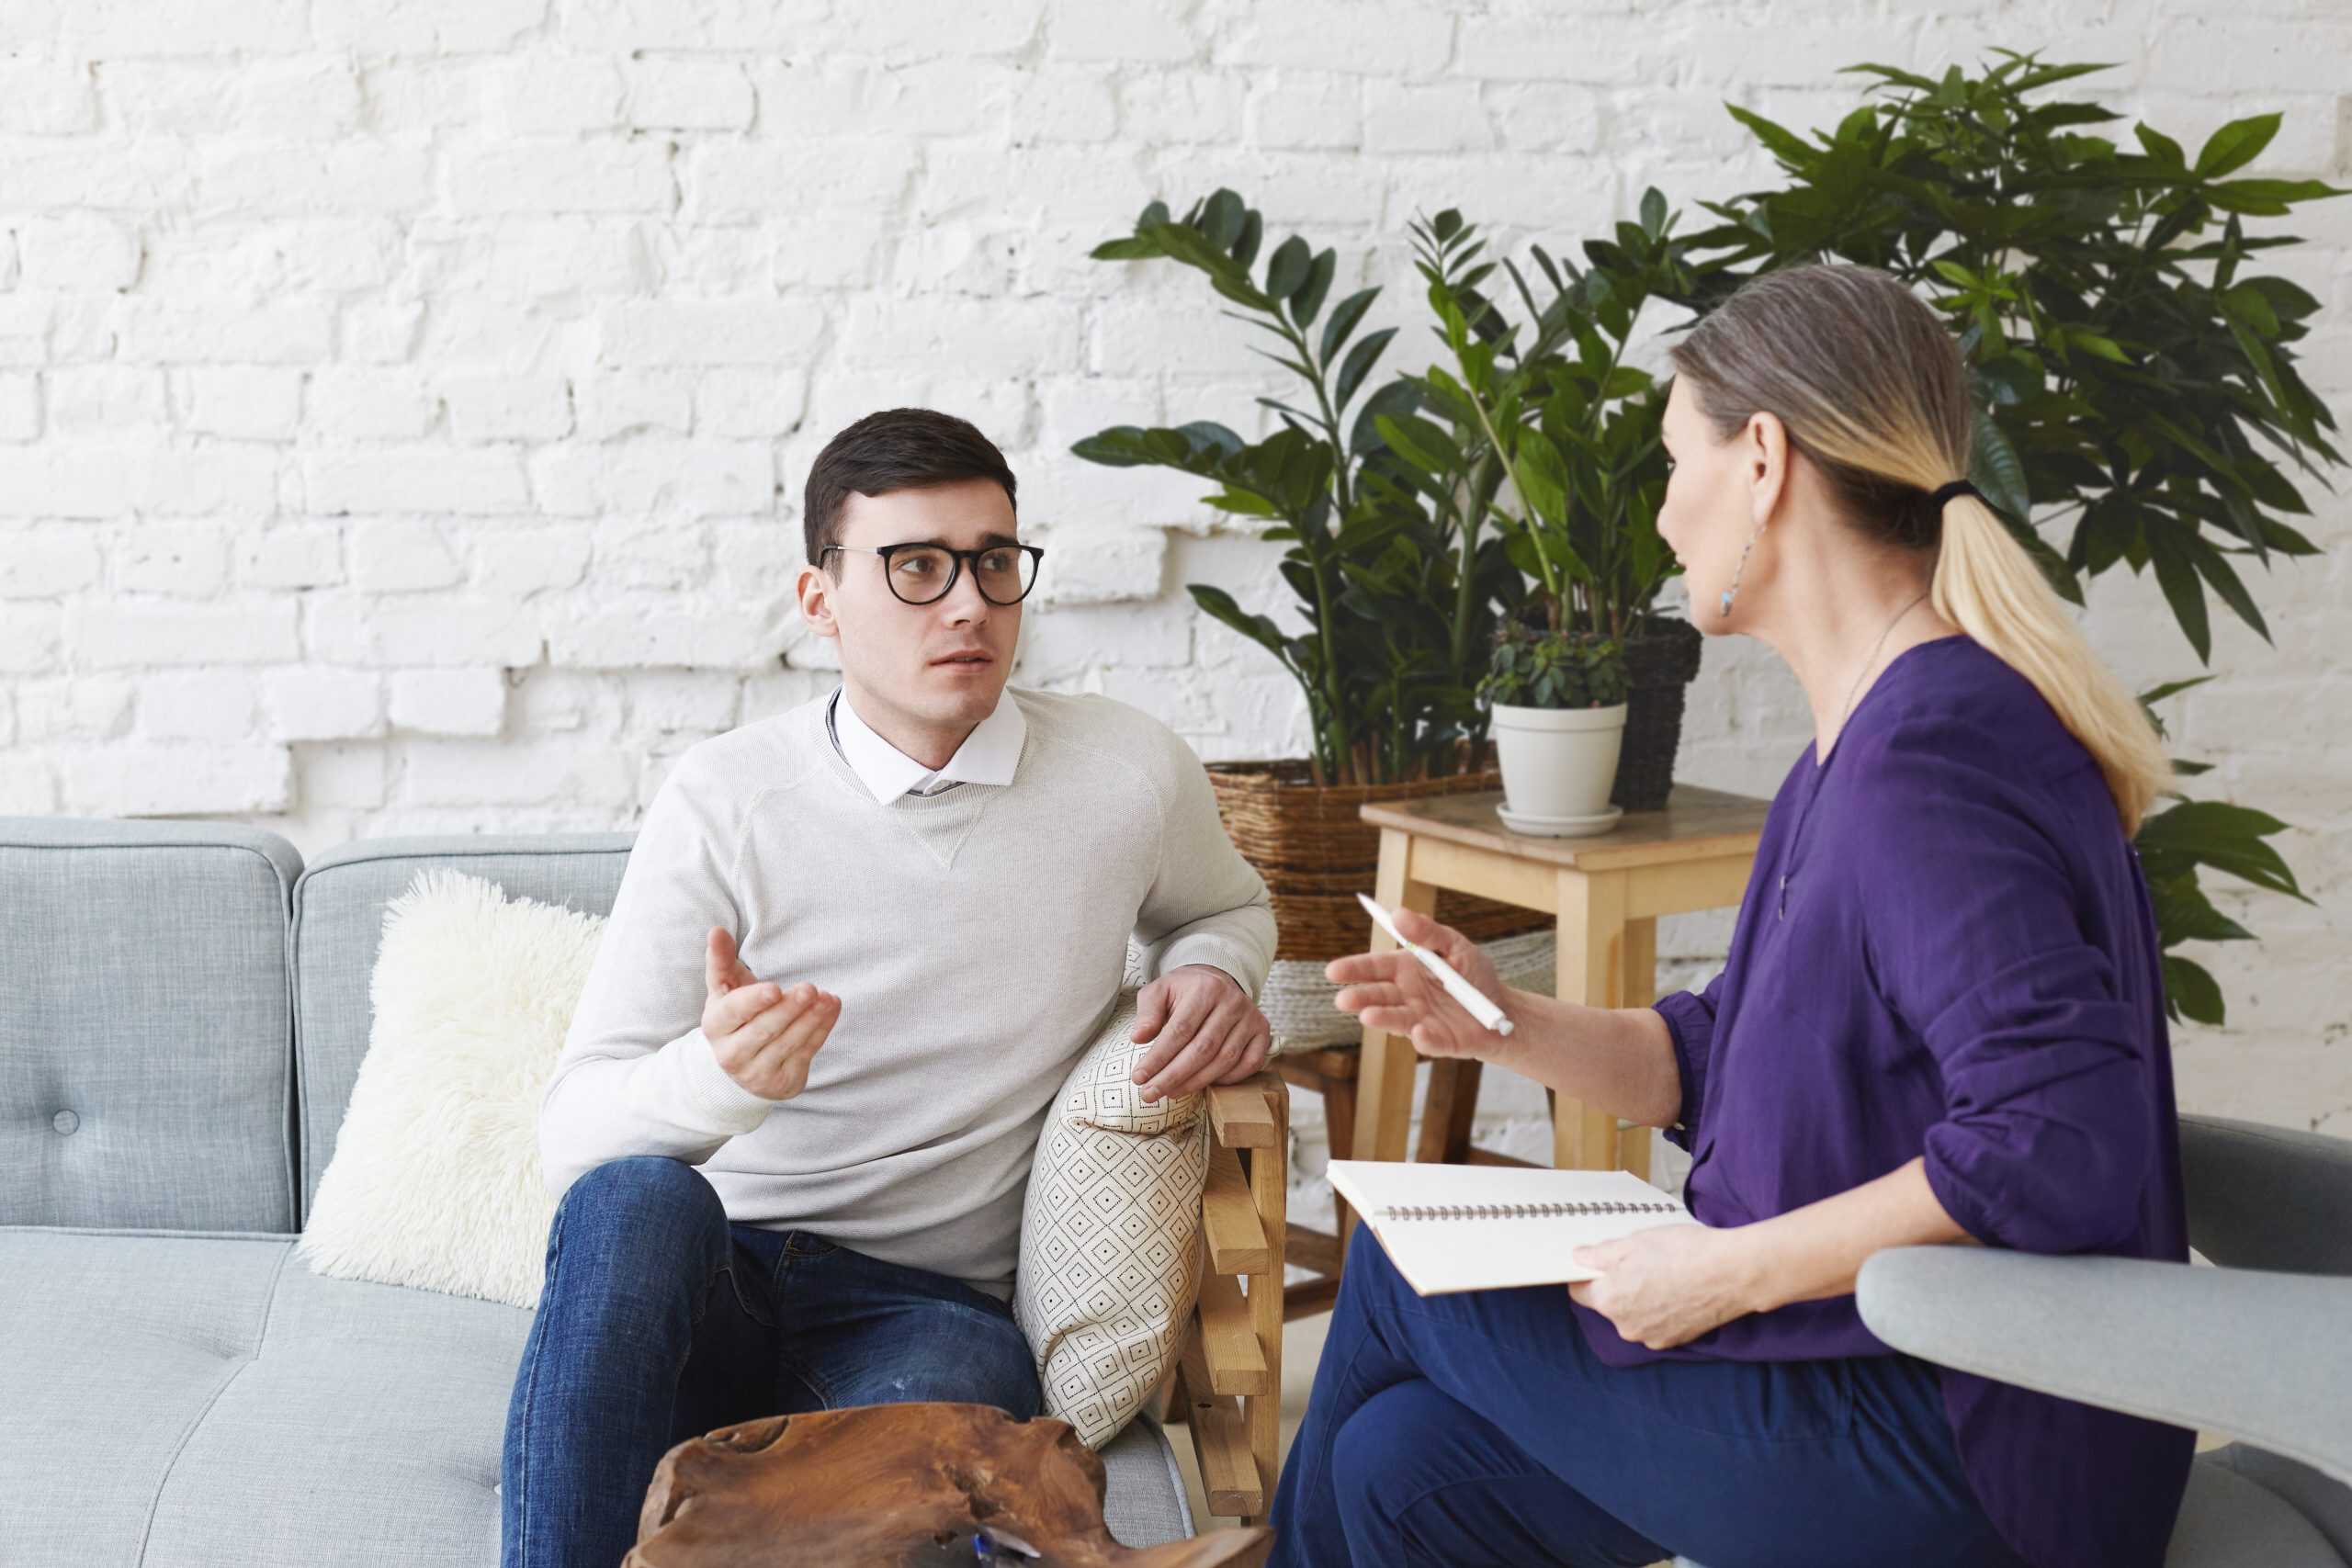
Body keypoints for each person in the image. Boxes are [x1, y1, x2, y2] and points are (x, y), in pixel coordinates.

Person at [1266, 263, 2195, 1568]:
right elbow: (1722, 1053)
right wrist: (1503, 1019)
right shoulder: (1858, 745)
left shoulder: (1928, 759)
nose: (1660, 516)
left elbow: (2055, 1136)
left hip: (1979, 1448)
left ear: (1762, 458)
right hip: (1882, 1371)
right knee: (1401, 1469)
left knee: (1393, 1268)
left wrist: (1723, 1268)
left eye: (1670, 462)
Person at [500, 407, 1279, 1568]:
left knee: (961, 1453)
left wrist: (1213, 968)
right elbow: (575, 1136)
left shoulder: (1125, 771)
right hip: (714, 1272)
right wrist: (717, 1077)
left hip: (925, 1302)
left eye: (993, 563)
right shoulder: (724, 799)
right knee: (631, 1204)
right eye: (915, 567)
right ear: (821, 601)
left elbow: (1226, 907)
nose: (966, 603)